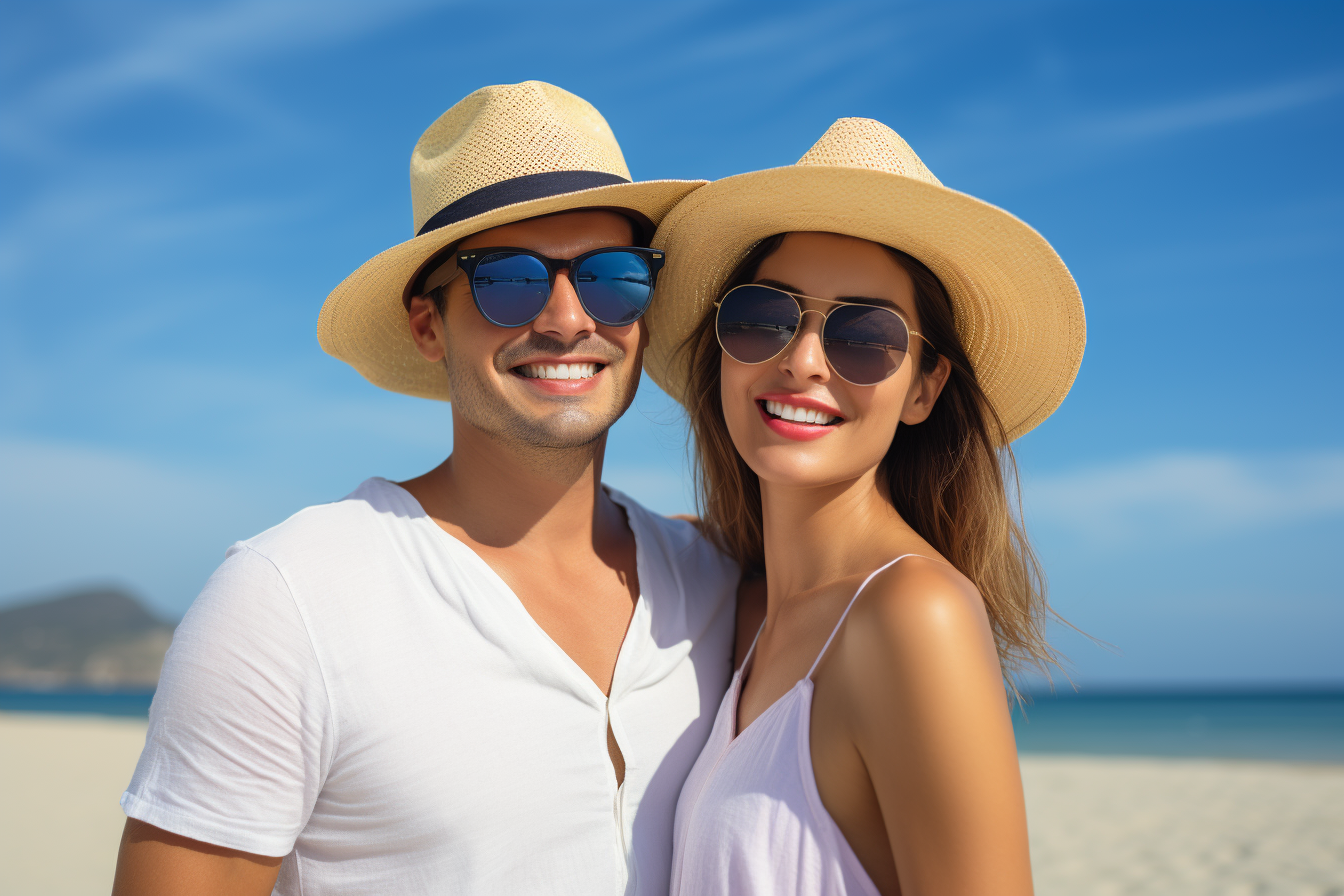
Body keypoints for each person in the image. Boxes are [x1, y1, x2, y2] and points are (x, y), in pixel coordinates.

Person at [111, 81, 740, 896]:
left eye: (611, 277)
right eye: (508, 281)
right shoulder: (288, 600)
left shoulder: (719, 581)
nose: (565, 319)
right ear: (427, 324)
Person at [643, 118, 1086, 895]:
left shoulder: (914, 614)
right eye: (763, 317)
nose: (804, 360)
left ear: (924, 387)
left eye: (866, 336)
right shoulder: (738, 609)